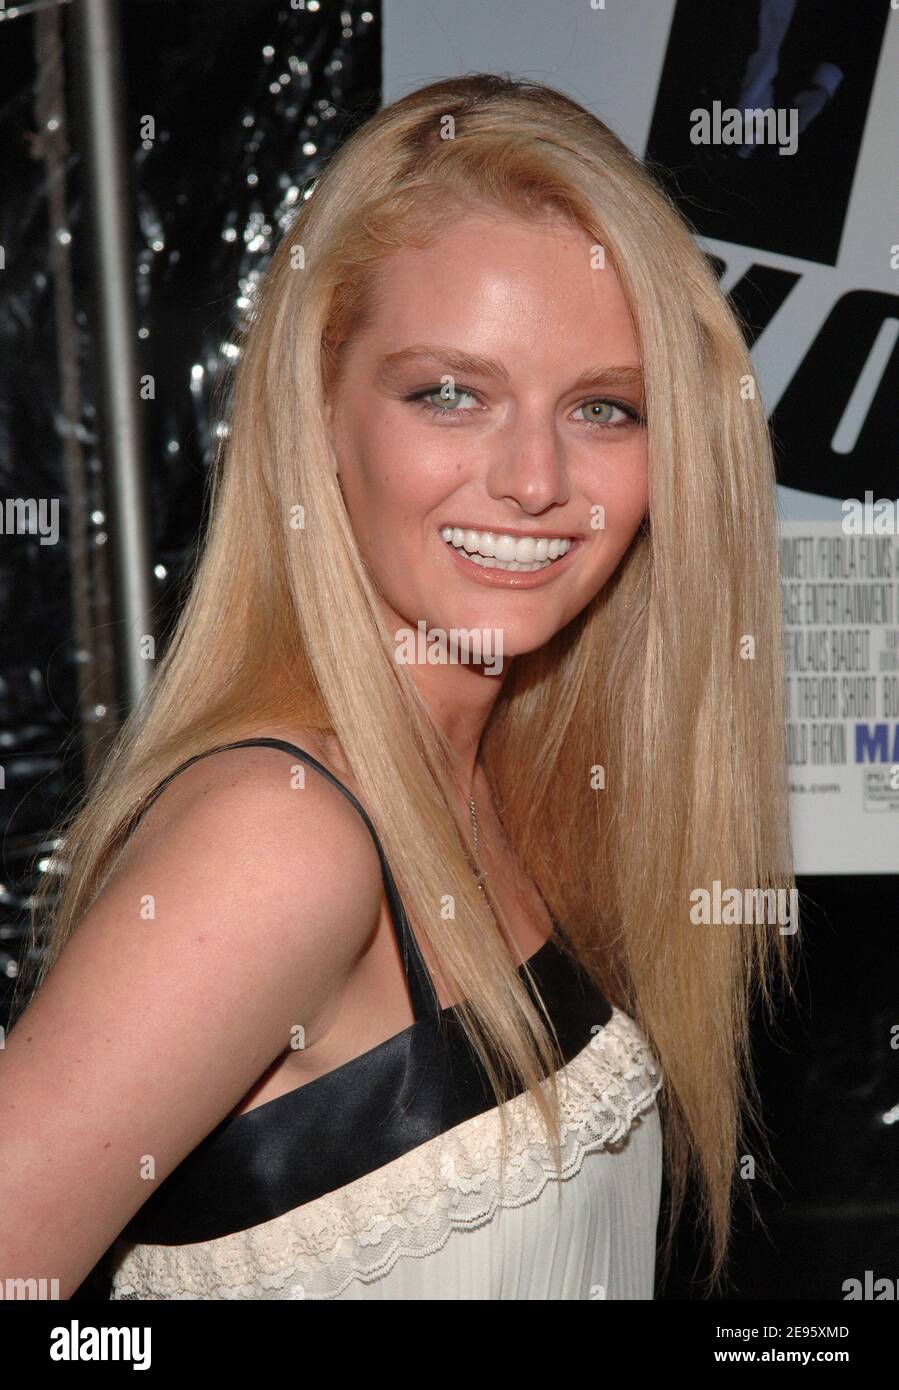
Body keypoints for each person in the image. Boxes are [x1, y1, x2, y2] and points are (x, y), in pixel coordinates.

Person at [0, 73, 795, 1301]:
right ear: (318, 411)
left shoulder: (514, 785)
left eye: (602, 407)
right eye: (450, 393)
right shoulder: (280, 835)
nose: (534, 479)